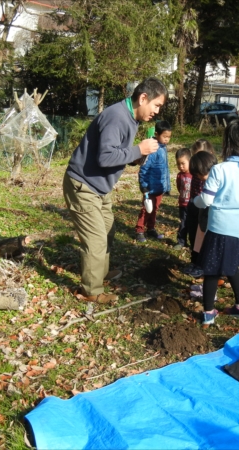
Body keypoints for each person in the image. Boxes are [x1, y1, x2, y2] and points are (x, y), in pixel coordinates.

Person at [63, 77, 167, 303]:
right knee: (96, 239)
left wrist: (136, 156)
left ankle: (99, 271)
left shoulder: (130, 117)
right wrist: (138, 149)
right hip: (83, 185)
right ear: (143, 98)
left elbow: (116, 152)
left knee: (108, 230)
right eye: (156, 105)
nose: (157, 112)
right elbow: (106, 157)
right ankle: (91, 290)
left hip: (99, 187)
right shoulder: (117, 117)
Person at [194, 120, 239, 324]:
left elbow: (206, 200)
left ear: (228, 143)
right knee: (233, 267)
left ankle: (208, 312)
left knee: (212, 270)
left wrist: (195, 201)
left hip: (219, 230)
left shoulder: (219, 169)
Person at [183, 139, 216, 277]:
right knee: (193, 235)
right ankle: (194, 261)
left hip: (205, 208)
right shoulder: (195, 169)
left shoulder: (214, 173)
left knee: (203, 237)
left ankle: (202, 264)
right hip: (194, 205)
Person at [135, 120, 172, 243]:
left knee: (154, 209)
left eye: (169, 137)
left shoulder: (163, 148)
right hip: (150, 187)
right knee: (146, 209)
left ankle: (150, 228)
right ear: (157, 134)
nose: (167, 139)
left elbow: (164, 168)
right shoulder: (152, 149)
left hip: (159, 187)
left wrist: (166, 187)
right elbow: (144, 168)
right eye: (165, 136)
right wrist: (144, 186)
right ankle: (140, 230)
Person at [174, 147, 192, 250]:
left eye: (183, 163)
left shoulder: (194, 174)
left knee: (192, 224)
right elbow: (178, 187)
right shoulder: (179, 175)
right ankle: (181, 241)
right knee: (183, 223)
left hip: (192, 204)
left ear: (189, 161)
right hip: (182, 204)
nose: (180, 166)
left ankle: (194, 243)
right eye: (178, 164)